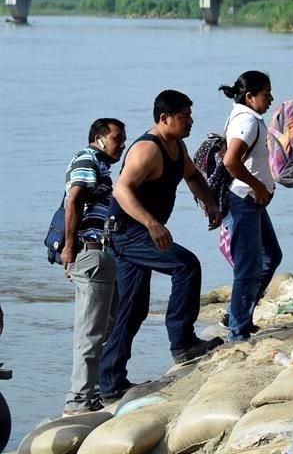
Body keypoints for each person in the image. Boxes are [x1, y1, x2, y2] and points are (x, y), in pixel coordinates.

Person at [99, 90, 223, 402]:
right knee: (186, 265)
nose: (190, 121)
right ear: (164, 119)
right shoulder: (147, 150)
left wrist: (210, 204)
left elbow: (194, 177)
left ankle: (111, 384)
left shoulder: (177, 146)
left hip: (138, 234)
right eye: (184, 117)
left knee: (133, 308)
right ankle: (183, 344)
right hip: (128, 232)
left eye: (190, 115)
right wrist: (153, 224)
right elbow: (121, 191)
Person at [61, 118, 126, 415]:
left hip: (102, 254)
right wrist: (70, 246)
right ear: (99, 139)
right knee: (90, 332)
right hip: (90, 252)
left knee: (106, 326)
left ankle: (94, 391)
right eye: (117, 138)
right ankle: (78, 401)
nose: (122, 145)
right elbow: (73, 200)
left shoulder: (100, 165)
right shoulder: (87, 159)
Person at [218, 71, 282, 342]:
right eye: (266, 94)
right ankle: (238, 331)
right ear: (250, 96)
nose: (271, 99)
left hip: (251, 201)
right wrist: (257, 186)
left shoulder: (245, 117)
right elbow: (231, 161)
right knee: (248, 267)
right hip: (244, 200)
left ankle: (237, 314)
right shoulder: (247, 121)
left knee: (271, 256)